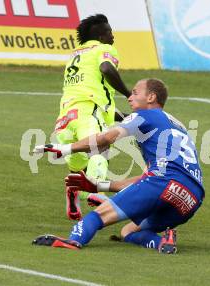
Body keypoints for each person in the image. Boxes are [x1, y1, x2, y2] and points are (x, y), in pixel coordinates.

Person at [33, 79, 204, 254]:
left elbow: (105, 139)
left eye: (136, 93)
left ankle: (74, 240)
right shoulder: (179, 128)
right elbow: (144, 179)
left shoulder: (145, 115)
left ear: (151, 97)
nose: (130, 97)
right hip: (191, 197)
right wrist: (98, 186)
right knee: (127, 231)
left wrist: (64, 148)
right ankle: (163, 243)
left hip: (163, 182)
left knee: (98, 216)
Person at [54, 14, 131, 220]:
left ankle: (73, 188)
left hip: (66, 116)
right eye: (109, 32)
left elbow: (87, 90)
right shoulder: (103, 49)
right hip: (89, 111)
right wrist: (129, 94)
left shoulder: (75, 54)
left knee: (78, 162)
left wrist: (119, 115)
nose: (113, 37)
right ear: (100, 35)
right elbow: (106, 69)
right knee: (100, 147)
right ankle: (97, 192)